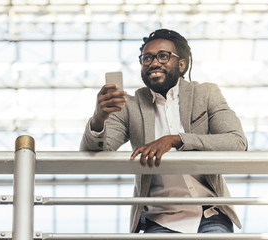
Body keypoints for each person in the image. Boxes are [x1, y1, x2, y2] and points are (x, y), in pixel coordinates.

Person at [80, 29, 248, 234]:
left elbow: (237, 142)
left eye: (163, 56)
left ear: (182, 64)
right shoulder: (129, 106)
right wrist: (98, 118)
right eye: (147, 58)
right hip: (158, 220)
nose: (154, 63)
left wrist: (177, 140)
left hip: (209, 214)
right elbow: (95, 152)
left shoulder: (206, 94)